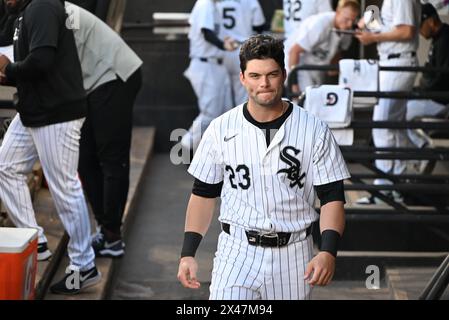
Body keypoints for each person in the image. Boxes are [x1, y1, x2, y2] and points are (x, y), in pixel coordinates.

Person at [177, 34, 350, 300]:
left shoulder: (314, 129)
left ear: (283, 74)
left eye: (271, 74)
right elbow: (203, 194)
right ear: (243, 78)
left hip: (294, 253)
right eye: (255, 76)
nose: (264, 84)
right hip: (236, 252)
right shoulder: (220, 128)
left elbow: (332, 197)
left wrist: (327, 251)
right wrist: (188, 253)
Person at [0, 0, 99, 294]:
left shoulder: (42, 5)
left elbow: (42, 60)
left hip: (57, 113)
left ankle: (84, 265)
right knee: (5, 166)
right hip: (34, 110)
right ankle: (35, 239)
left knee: (65, 188)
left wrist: (10, 70)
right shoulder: (22, 12)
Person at [64, 2, 143, 258]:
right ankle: (104, 226)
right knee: (84, 158)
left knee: (111, 157)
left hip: (115, 76)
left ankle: (112, 236)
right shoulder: (32, 14)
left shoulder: (48, 10)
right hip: (90, 83)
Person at [355, 0, 420, 204]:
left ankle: (384, 189)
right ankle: (396, 185)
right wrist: (368, 23)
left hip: (398, 62)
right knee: (395, 127)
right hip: (391, 60)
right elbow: (389, 29)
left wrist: (372, 36)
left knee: (382, 126)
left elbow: (406, 32)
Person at [181, 0, 237, 151]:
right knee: (210, 113)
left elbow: (220, 35)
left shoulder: (214, 6)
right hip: (205, 65)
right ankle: (187, 147)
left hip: (217, 65)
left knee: (226, 112)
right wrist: (223, 45)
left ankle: (219, 155)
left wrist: (228, 41)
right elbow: (207, 33)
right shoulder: (204, 3)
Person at [287, 0, 359, 94]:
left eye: (352, 20)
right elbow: (294, 51)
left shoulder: (346, 31)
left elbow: (337, 53)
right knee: (305, 101)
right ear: (337, 12)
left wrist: (335, 68)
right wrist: (293, 84)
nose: (349, 24)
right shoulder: (320, 24)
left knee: (316, 101)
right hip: (299, 65)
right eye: (346, 19)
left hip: (317, 68)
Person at [406, 3, 449, 151]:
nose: (419, 31)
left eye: (420, 26)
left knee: (399, 114)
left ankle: (425, 150)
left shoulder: (445, 39)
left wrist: (423, 88)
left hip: (440, 100)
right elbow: (429, 74)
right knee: (400, 105)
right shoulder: (439, 38)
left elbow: (441, 78)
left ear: (430, 21)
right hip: (432, 96)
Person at [216, 0, 266, 106]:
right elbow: (259, 26)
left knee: (221, 100)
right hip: (241, 49)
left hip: (220, 49)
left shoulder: (213, 2)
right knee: (242, 98)